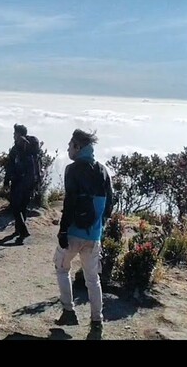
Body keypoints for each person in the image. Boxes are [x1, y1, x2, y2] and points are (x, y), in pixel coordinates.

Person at [54, 129, 113, 339]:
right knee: (93, 279)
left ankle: (68, 311)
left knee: (62, 268)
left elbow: (69, 202)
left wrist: (63, 229)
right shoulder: (103, 171)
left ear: (78, 147)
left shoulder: (72, 169)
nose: (68, 149)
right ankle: (97, 322)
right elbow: (109, 207)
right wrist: (98, 227)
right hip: (94, 235)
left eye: (70, 146)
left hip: (72, 232)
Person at [4, 124, 37, 245]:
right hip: (30, 180)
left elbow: (10, 166)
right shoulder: (32, 144)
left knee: (15, 205)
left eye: (15, 134)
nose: (13, 136)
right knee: (22, 206)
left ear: (19, 134)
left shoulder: (19, 147)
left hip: (19, 181)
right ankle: (19, 229)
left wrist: (6, 182)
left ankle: (22, 230)